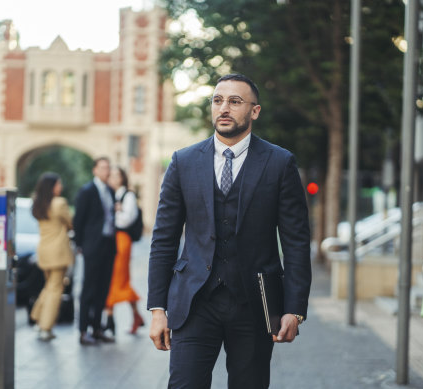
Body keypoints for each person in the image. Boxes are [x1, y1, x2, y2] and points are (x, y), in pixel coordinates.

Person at [147, 73, 312, 388]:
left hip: (254, 304)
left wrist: (295, 309)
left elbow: (295, 242)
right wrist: (158, 308)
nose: (224, 108)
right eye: (218, 100)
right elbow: (164, 239)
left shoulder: (280, 163)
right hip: (194, 303)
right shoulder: (183, 161)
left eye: (235, 101)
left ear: (254, 111)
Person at [74, 157, 117, 345]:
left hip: (108, 245)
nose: (106, 171)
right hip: (92, 246)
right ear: (94, 170)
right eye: (102, 167)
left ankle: (97, 328)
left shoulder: (110, 191)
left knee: (103, 288)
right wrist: (80, 245)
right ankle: (83, 331)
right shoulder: (87, 191)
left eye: (108, 168)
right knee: (88, 289)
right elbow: (78, 220)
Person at [29, 172, 74, 342]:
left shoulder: (38, 203)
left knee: (49, 286)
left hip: (44, 250)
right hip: (58, 252)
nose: (61, 187)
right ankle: (45, 328)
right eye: (58, 184)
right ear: (52, 186)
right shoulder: (59, 203)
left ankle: (38, 317)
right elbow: (70, 222)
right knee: (56, 289)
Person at [103, 166, 145, 335]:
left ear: (122, 178)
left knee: (117, 278)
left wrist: (115, 213)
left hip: (121, 240)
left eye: (116, 175)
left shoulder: (127, 196)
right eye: (110, 175)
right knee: (115, 279)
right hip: (110, 240)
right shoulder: (108, 195)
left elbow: (126, 220)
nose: (113, 178)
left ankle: (110, 318)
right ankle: (135, 316)